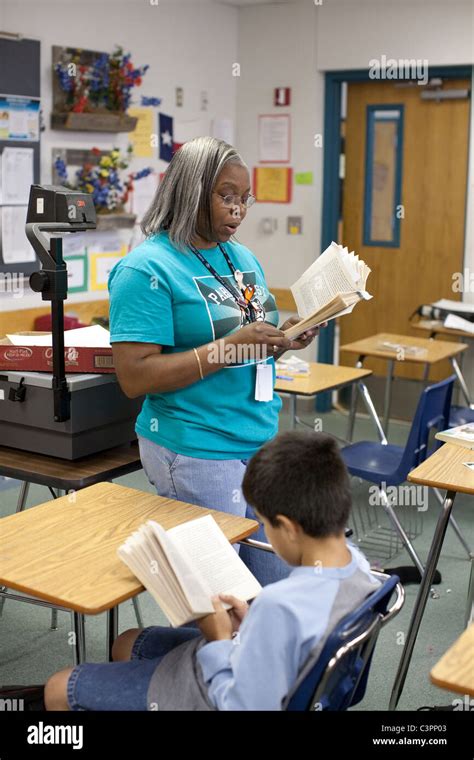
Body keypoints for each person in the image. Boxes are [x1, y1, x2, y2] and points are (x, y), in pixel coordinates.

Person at [108, 136, 324, 587]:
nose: (239, 210)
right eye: (227, 197)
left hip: (258, 437)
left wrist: (284, 337)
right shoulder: (146, 269)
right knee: (220, 599)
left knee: (277, 586)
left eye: (245, 199)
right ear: (190, 190)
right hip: (196, 448)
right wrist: (229, 347)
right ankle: (184, 659)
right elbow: (133, 377)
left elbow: (249, 339)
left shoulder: (241, 257)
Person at [44, 431, 380, 711]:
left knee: (59, 688)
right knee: (126, 642)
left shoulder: (279, 604)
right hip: (270, 667)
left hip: (219, 690)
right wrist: (251, 626)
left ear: (288, 528)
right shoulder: (363, 569)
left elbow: (240, 706)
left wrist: (220, 638)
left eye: (263, 523)